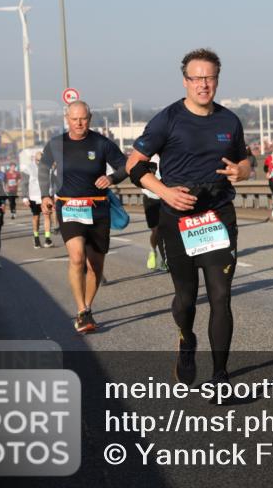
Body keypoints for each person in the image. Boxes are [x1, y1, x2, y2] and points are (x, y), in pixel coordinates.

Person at [127, 48, 252, 388]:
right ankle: (186, 338)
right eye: (196, 78)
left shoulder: (229, 120)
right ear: (185, 81)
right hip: (177, 218)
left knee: (221, 296)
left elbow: (246, 161)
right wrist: (165, 191)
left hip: (218, 216)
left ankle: (220, 375)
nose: (203, 84)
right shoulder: (168, 119)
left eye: (209, 77)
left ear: (217, 80)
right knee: (186, 298)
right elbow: (133, 165)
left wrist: (241, 170)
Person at [40, 101, 128, 334]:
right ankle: (81, 311)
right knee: (77, 257)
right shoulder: (56, 144)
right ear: (66, 118)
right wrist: (45, 195)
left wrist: (112, 179)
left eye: (84, 119)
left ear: (90, 118)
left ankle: (88, 307)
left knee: (95, 264)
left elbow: (125, 166)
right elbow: (43, 167)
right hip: (69, 207)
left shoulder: (101, 143)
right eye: (74, 119)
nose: (79, 123)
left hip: (98, 208)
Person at [141, 154, 167, 271]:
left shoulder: (169, 154)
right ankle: (153, 251)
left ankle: (165, 261)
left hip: (166, 197)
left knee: (165, 229)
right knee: (156, 230)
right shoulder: (146, 157)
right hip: (150, 198)